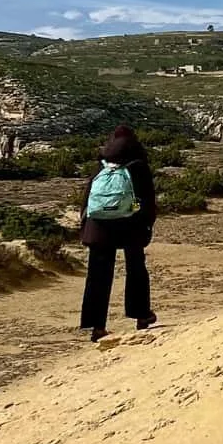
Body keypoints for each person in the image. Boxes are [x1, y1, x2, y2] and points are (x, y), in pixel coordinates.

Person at [79, 126, 157, 341]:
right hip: (130, 225)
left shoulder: (102, 164)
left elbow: (87, 197)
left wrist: (85, 225)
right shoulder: (138, 165)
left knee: (97, 276)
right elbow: (146, 200)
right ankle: (141, 315)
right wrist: (146, 223)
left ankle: (96, 325)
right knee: (136, 269)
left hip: (98, 226)